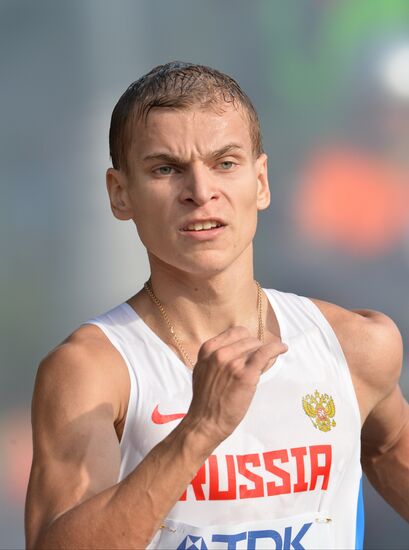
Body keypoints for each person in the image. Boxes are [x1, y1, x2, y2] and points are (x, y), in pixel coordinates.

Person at [25, 62, 408, 550]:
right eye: (166, 169)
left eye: (225, 163)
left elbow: (390, 446)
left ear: (261, 182)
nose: (201, 193)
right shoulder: (91, 371)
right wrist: (200, 429)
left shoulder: (352, 345)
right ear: (121, 194)